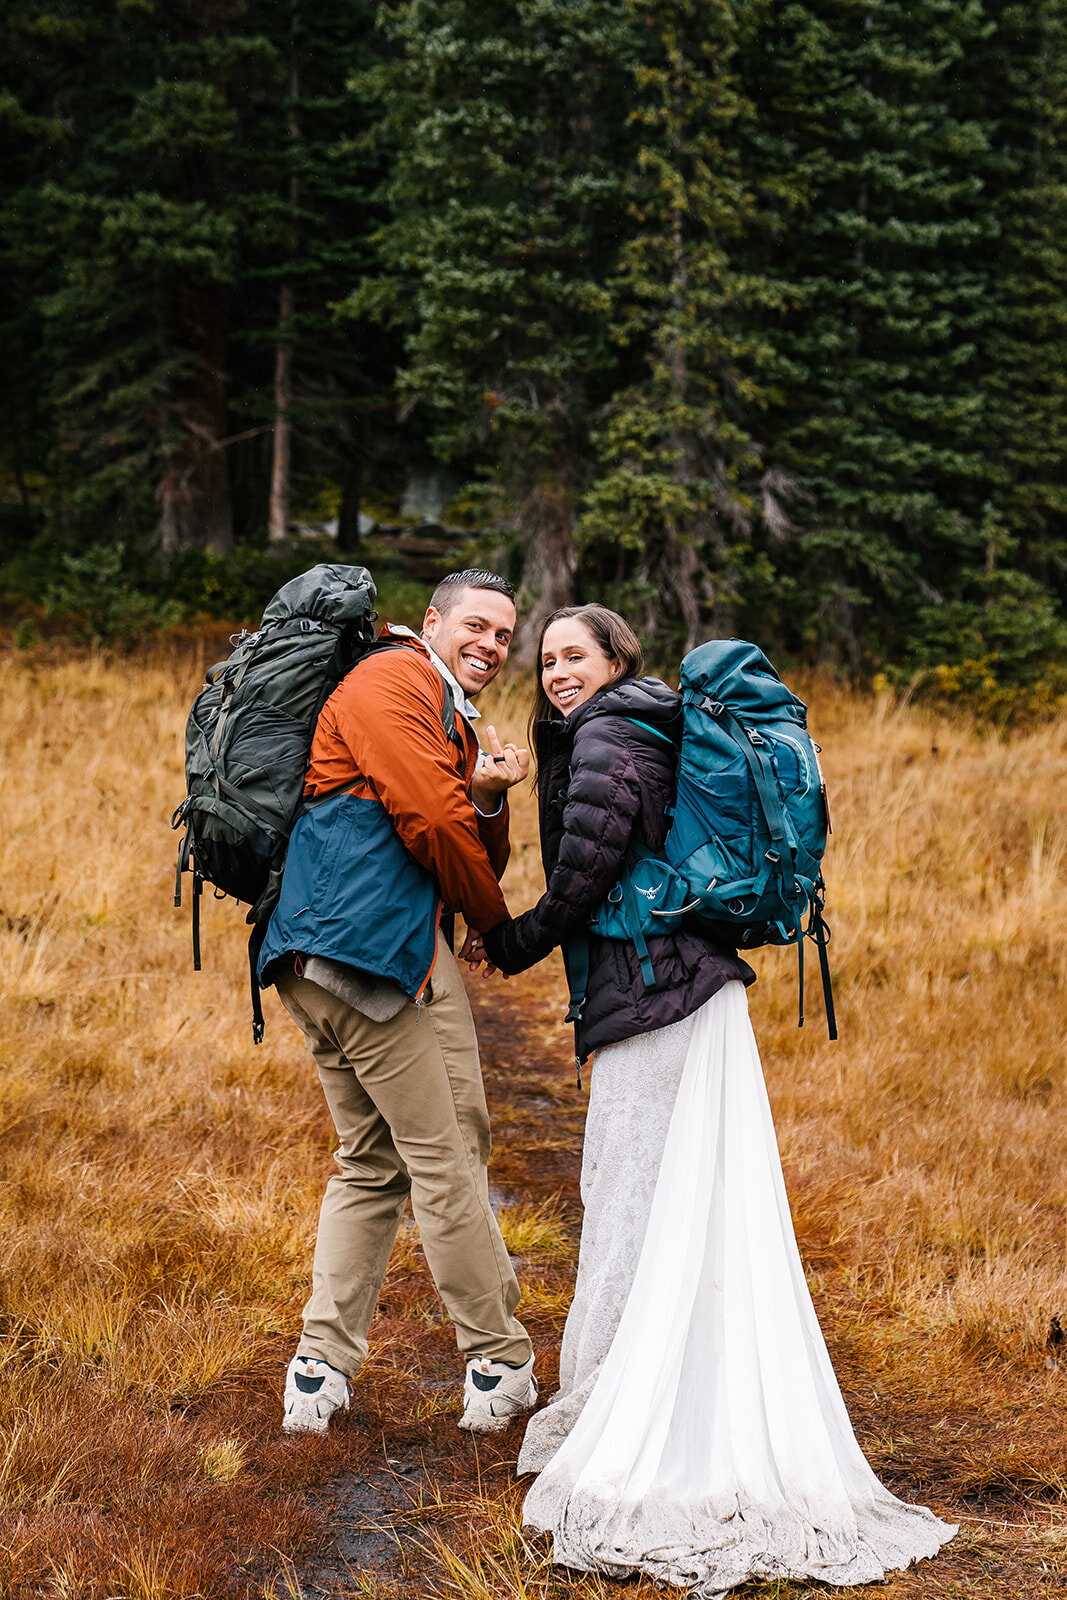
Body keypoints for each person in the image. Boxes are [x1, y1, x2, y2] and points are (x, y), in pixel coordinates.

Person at [475, 604, 956, 1594]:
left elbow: (583, 872)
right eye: (548, 657)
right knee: (680, 1208)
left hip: (659, 1001)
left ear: (617, 661)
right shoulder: (639, 724)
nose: (557, 671)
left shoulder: (609, 732)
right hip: (690, 996)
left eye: (576, 655)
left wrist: (510, 939)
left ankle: (618, 1413)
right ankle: (654, 1395)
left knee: (628, 1207)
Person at [257, 569, 538, 1436]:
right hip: (359, 955)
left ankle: (318, 1372)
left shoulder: (441, 700)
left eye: (503, 635)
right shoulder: (391, 680)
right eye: (477, 626)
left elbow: (454, 812)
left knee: (373, 1161)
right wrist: (498, 926)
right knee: (443, 1155)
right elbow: (428, 819)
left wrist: (486, 792)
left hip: (361, 950)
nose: (490, 645)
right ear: (432, 621)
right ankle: (498, 1361)